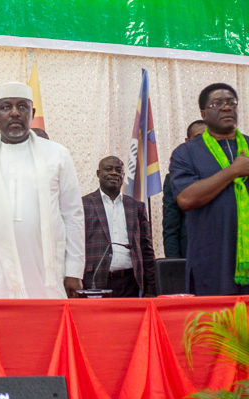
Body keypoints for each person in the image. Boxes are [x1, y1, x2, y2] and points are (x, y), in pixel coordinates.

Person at [0, 82, 85, 299]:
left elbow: (73, 215)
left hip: (47, 271)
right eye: (6, 107)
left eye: (22, 107)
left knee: (45, 328)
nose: (15, 112)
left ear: (32, 113)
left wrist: (73, 270)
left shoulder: (58, 154)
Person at [170, 83, 249, 295]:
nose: (226, 108)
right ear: (203, 113)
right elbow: (186, 199)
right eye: (217, 103)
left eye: (231, 103)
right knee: (214, 326)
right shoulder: (186, 153)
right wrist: (233, 171)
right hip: (212, 262)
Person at [82, 156, 156, 297]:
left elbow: (146, 249)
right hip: (94, 281)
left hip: (131, 282)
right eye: (108, 169)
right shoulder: (83, 204)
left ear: (123, 175)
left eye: (118, 170)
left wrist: (151, 288)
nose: (114, 173)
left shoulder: (136, 207)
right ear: (98, 174)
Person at [162, 120, 205, 258]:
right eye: (198, 138)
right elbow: (171, 228)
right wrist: (174, 267)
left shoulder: (228, 172)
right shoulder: (174, 178)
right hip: (191, 257)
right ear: (188, 142)